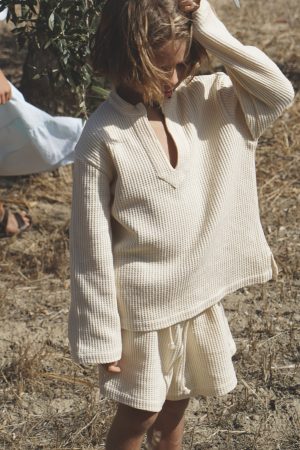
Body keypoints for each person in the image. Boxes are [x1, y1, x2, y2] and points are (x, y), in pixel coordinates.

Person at [68, 0, 294, 449]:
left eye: (181, 64)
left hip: (192, 296)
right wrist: (101, 334)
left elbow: (278, 92)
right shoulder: (102, 136)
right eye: (159, 68)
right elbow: (89, 248)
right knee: (140, 413)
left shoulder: (203, 100)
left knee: (175, 409)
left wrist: (204, 22)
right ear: (124, 56)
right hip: (143, 309)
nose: (173, 80)